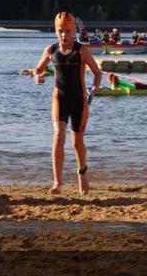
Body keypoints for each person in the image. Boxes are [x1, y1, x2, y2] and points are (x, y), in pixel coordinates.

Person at [32, 12, 103, 195]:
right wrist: (37, 77)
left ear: (74, 32)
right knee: (58, 134)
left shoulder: (82, 51)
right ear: (56, 31)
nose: (64, 35)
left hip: (79, 100)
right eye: (60, 31)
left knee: (77, 142)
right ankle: (57, 182)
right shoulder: (51, 50)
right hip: (59, 98)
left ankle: (82, 174)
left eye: (68, 31)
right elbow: (38, 69)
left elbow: (97, 72)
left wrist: (94, 88)